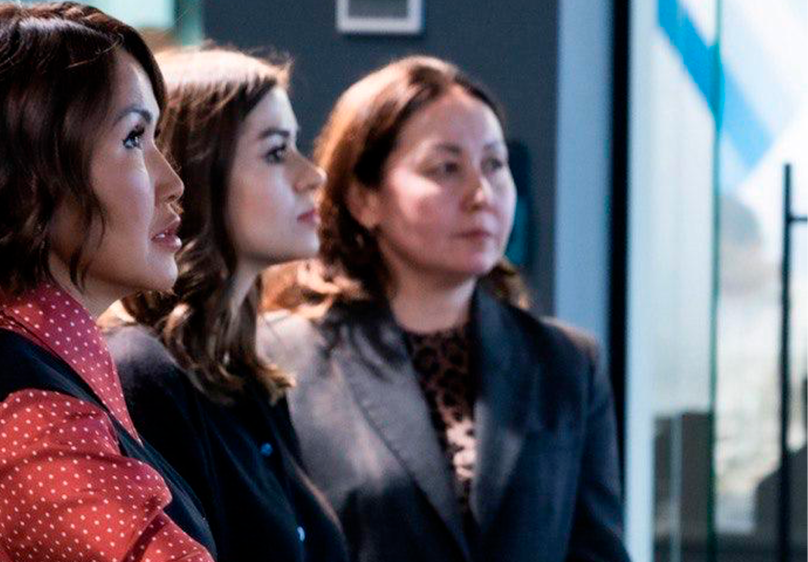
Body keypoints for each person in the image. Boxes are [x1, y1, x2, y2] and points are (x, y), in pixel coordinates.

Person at [259, 56, 631, 562]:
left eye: (495, 164)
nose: (482, 194)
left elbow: (598, 550)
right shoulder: (278, 359)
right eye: (446, 168)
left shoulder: (567, 362)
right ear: (365, 199)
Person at [0, 4, 215, 561]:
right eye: (135, 138)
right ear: (28, 176)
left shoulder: (31, 366)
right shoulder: (31, 422)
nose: (173, 181)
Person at [104, 47, 348, 562]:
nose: (314, 176)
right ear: (195, 172)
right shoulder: (142, 373)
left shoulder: (245, 377)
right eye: (276, 152)